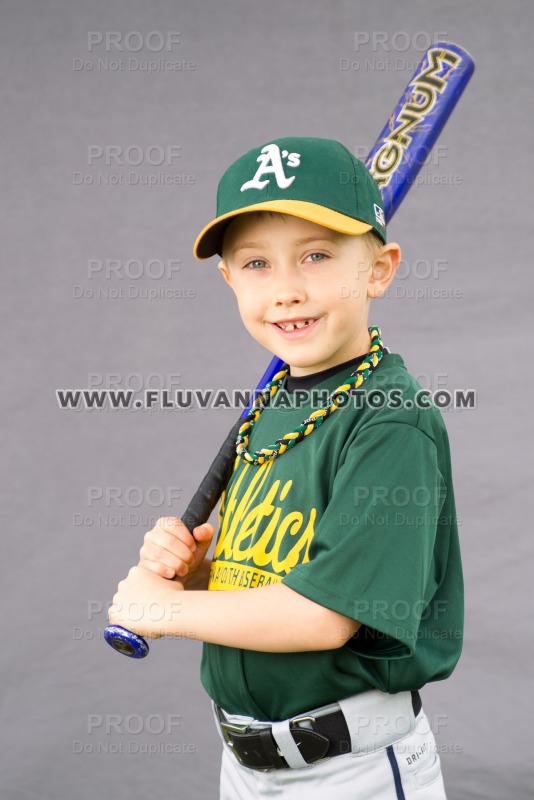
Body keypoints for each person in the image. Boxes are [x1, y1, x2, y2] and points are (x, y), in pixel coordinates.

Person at [109, 136, 463, 799]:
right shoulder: (273, 405)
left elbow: (324, 616)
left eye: (318, 255)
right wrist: (201, 576)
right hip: (245, 765)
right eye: (256, 264)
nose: (287, 290)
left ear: (379, 270)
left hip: (349, 770)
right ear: (229, 280)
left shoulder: (390, 421)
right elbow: (290, 572)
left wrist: (168, 611)